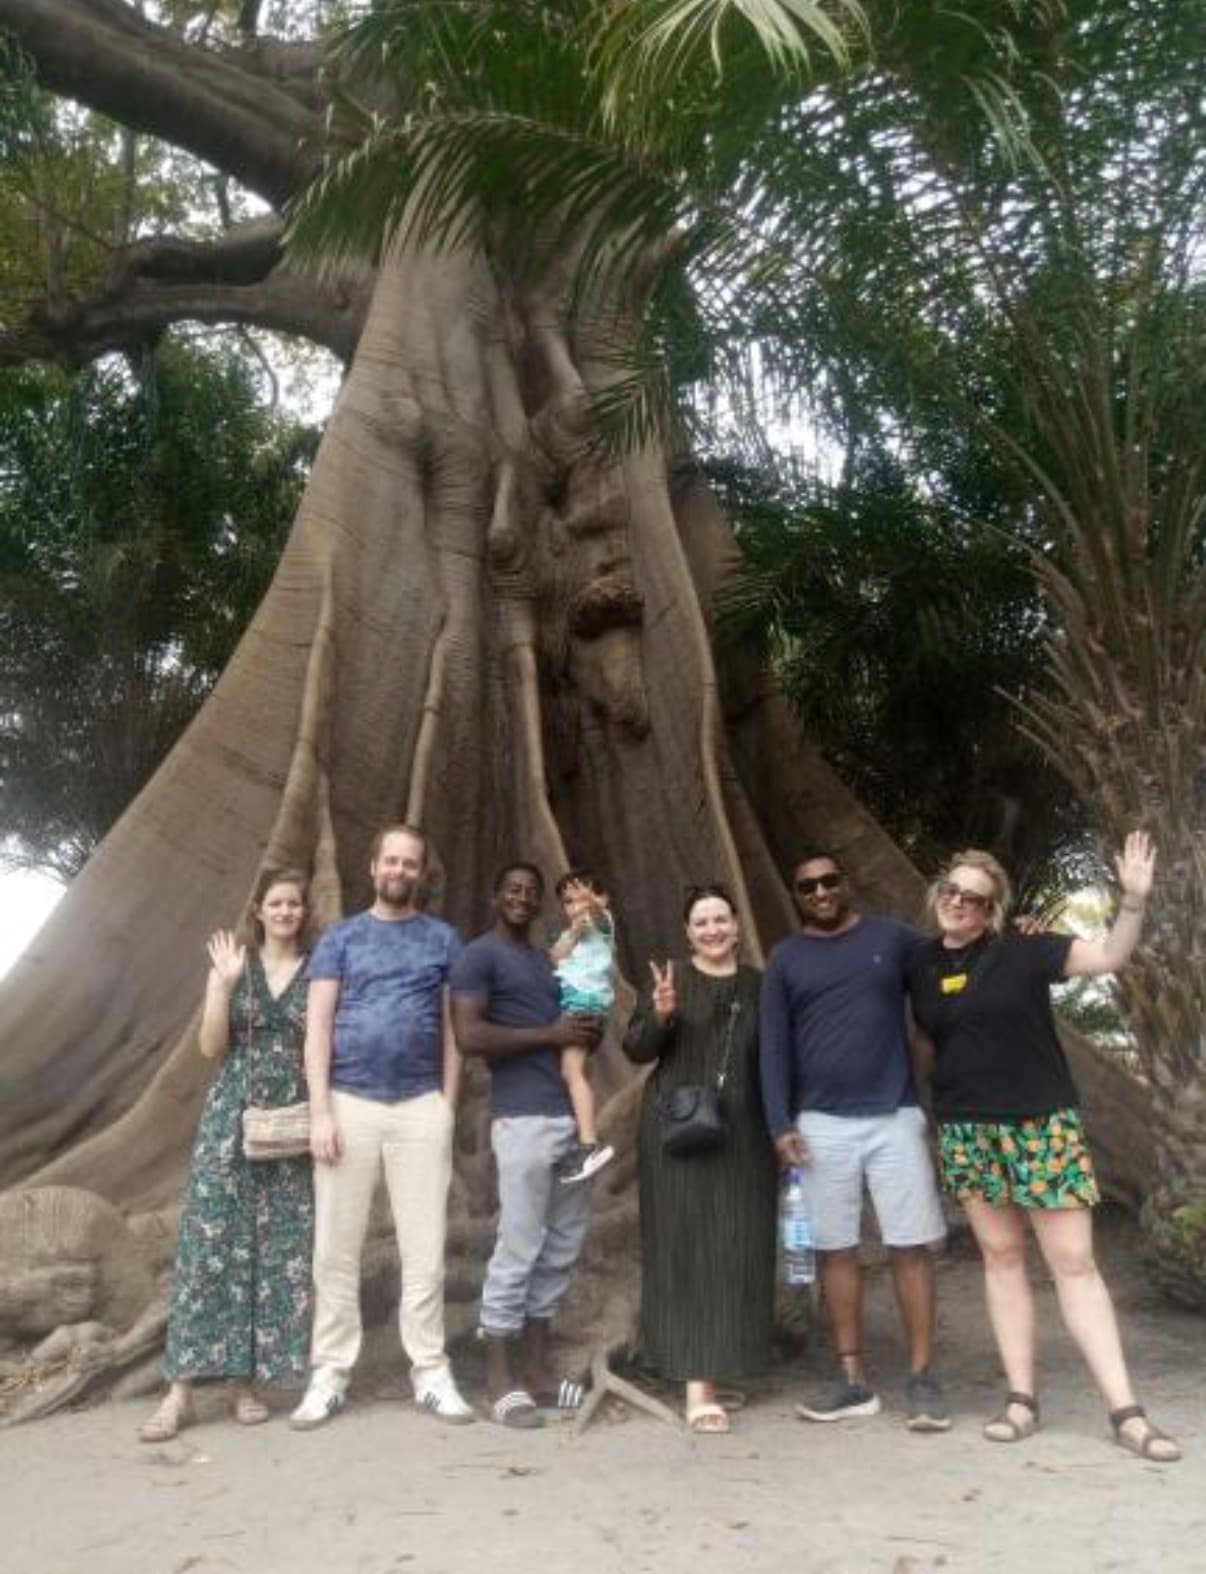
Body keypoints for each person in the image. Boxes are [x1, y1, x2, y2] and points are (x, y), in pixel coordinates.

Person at [906, 832, 1181, 1463]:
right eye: (951, 891)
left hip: (1040, 1124)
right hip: (967, 1129)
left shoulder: (1026, 951)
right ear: (937, 895)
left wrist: (1133, 901)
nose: (959, 904)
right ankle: (1021, 1398)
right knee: (1001, 1258)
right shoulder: (918, 963)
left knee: (1074, 1264)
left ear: (993, 909)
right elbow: (925, 1041)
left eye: (975, 899)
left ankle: (1125, 1410)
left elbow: (1110, 956)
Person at [290, 825, 473, 1430]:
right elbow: (317, 1028)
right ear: (372, 868)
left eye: (410, 862)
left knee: (425, 1249)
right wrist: (320, 1111)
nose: (399, 869)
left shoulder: (443, 939)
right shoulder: (340, 939)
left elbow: (452, 1031)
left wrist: (446, 1105)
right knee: (335, 1250)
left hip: (420, 1106)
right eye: (389, 859)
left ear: (421, 873)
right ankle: (330, 1372)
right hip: (348, 1103)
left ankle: (429, 1369)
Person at [760, 851, 950, 1431]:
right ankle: (853, 1381)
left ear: (847, 884)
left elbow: (954, 957)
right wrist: (779, 1124)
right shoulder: (786, 958)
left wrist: (1013, 937)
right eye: (807, 885)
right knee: (836, 1251)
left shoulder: (892, 939)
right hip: (819, 1125)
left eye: (829, 881)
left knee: (909, 1246)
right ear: (796, 895)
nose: (819, 891)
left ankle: (921, 1376)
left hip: (894, 1116)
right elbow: (773, 1045)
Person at [138, 868, 314, 1442]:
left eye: (295, 904)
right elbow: (212, 1046)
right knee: (208, 1245)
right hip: (229, 1123)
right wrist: (221, 984)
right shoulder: (236, 966)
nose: (286, 912)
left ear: (303, 912)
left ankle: (246, 1384)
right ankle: (180, 1391)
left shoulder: (318, 973)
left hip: (290, 1127)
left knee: (273, 1253)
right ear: (259, 911)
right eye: (277, 903)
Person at [449, 862, 603, 1429]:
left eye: (530, 894)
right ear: (497, 896)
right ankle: (497, 1378)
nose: (521, 898)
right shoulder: (479, 956)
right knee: (518, 1245)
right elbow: (469, 1036)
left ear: (539, 905)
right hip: (521, 1120)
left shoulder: (546, 961)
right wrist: (550, 1035)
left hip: (569, 1117)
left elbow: (574, 1025)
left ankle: (537, 1373)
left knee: (560, 1246)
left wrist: (585, 1027)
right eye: (512, 889)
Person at [623, 883, 777, 1435]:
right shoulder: (671, 982)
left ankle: (721, 1362)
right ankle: (697, 1384)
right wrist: (661, 1015)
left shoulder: (760, 986)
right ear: (687, 932)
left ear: (737, 925)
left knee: (737, 1248)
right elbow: (635, 1047)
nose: (712, 930)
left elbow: (776, 1059)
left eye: (720, 919)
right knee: (686, 1250)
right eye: (701, 922)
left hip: (745, 1135)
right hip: (676, 1139)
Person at [550, 869, 617, 1185]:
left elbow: (602, 917)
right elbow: (555, 956)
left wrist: (594, 907)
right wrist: (573, 932)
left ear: (602, 899)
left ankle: (589, 1143)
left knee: (571, 1070)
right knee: (570, 1071)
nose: (577, 907)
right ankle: (580, 1137)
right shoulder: (574, 935)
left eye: (584, 898)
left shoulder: (603, 928)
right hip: (572, 1007)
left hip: (585, 1006)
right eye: (569, 902)